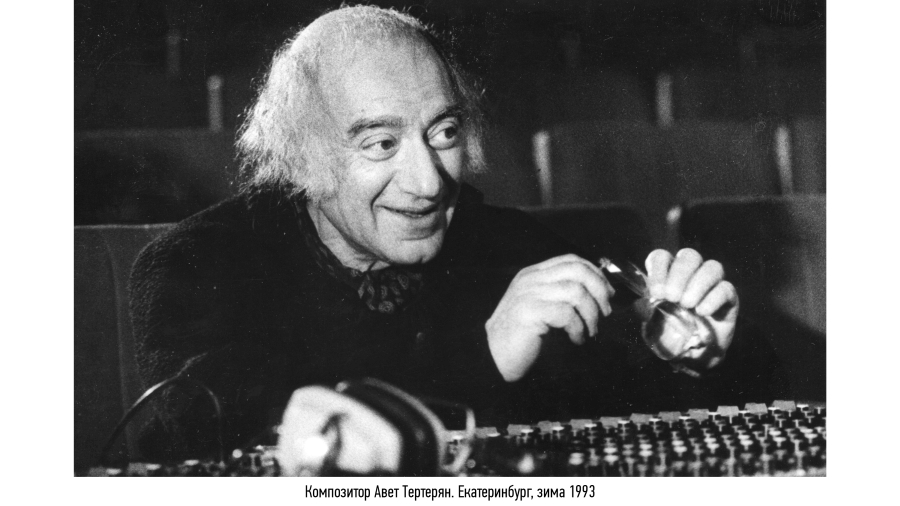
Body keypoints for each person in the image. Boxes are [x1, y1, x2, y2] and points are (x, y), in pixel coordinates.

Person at [129, 5, 783, 461]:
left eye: (443, 133)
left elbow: (624, 434)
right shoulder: (197, 263)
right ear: (302, 159)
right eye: (381, 144)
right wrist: (483, 352)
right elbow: (212, 437)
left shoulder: (518, 249)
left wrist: (687, 356)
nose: (428, 182)